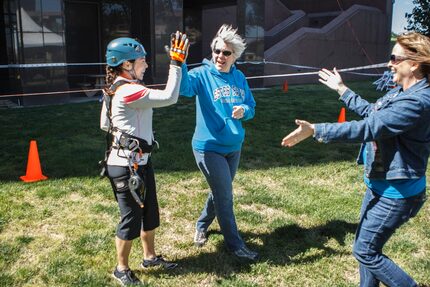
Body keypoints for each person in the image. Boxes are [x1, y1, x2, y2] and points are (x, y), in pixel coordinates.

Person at [281, 32, 430, 287]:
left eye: (394, 58)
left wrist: (316, 130)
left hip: (397, 193)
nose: (389, 63)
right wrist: (342, 89)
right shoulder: (402, 92)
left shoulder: (417, 102)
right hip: (379, 185)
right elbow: (374, 113)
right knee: (366, 248)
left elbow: (367, 128)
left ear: (414, 63)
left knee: (365, 251)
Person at [100, 33, 189, 286]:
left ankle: (149, 257)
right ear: (127, 64)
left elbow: (104, 123)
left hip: (138, 162)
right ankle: (121, 269)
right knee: (131, 218)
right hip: (126, 166)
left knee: (149, 212)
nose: (147, 65)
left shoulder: (114, 88)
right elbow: (171, 97)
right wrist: (176, 62)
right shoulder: (129, 91)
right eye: (142, 60)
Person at [179, 24, 258, 261]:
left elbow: (252, 107)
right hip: (208, 147)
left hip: (233, 146)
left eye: (226, 53)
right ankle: (235, 245)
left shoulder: (239, 77)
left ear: (235, 56)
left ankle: (202, 225)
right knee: (225, 195)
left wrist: (244, 110)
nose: (219, 56)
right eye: (216, 51)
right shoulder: (201, 74)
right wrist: (180, 62)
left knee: (219, 192)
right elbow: (184, 89)